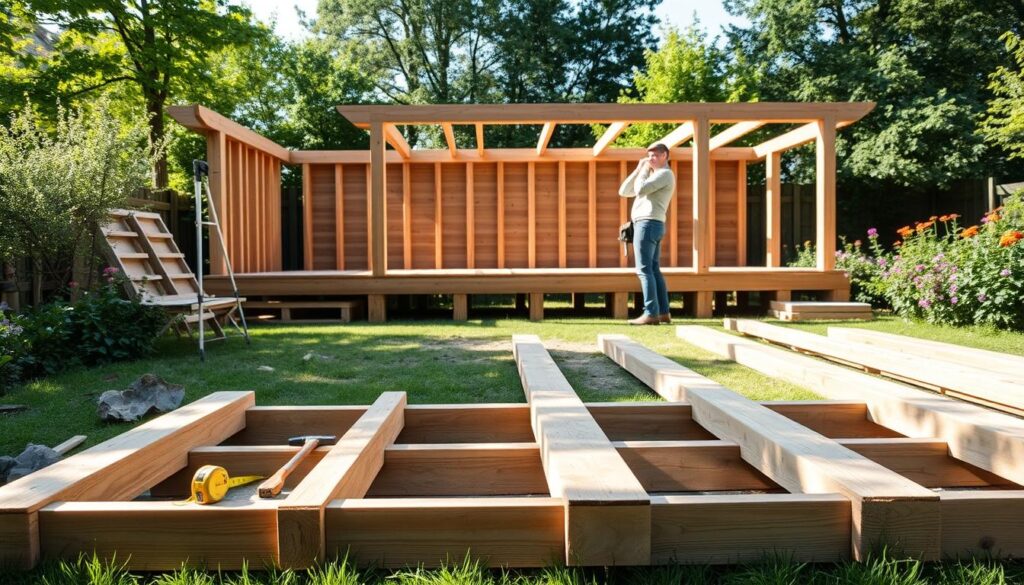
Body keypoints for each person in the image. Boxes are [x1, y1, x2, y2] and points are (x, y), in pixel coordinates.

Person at [618, 142, 675, 325]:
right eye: (649, 155)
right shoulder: (653, 175)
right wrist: (638, 169)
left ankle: (650, 313)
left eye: (655, 155)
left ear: (665, 155)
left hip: (647, 224)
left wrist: (643, 171)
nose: (651, 159)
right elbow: (624, 191)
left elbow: (640, 189)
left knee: (644, 270)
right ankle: (663, 313)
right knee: (653, 270)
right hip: (651, 225)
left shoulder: (665, 174)